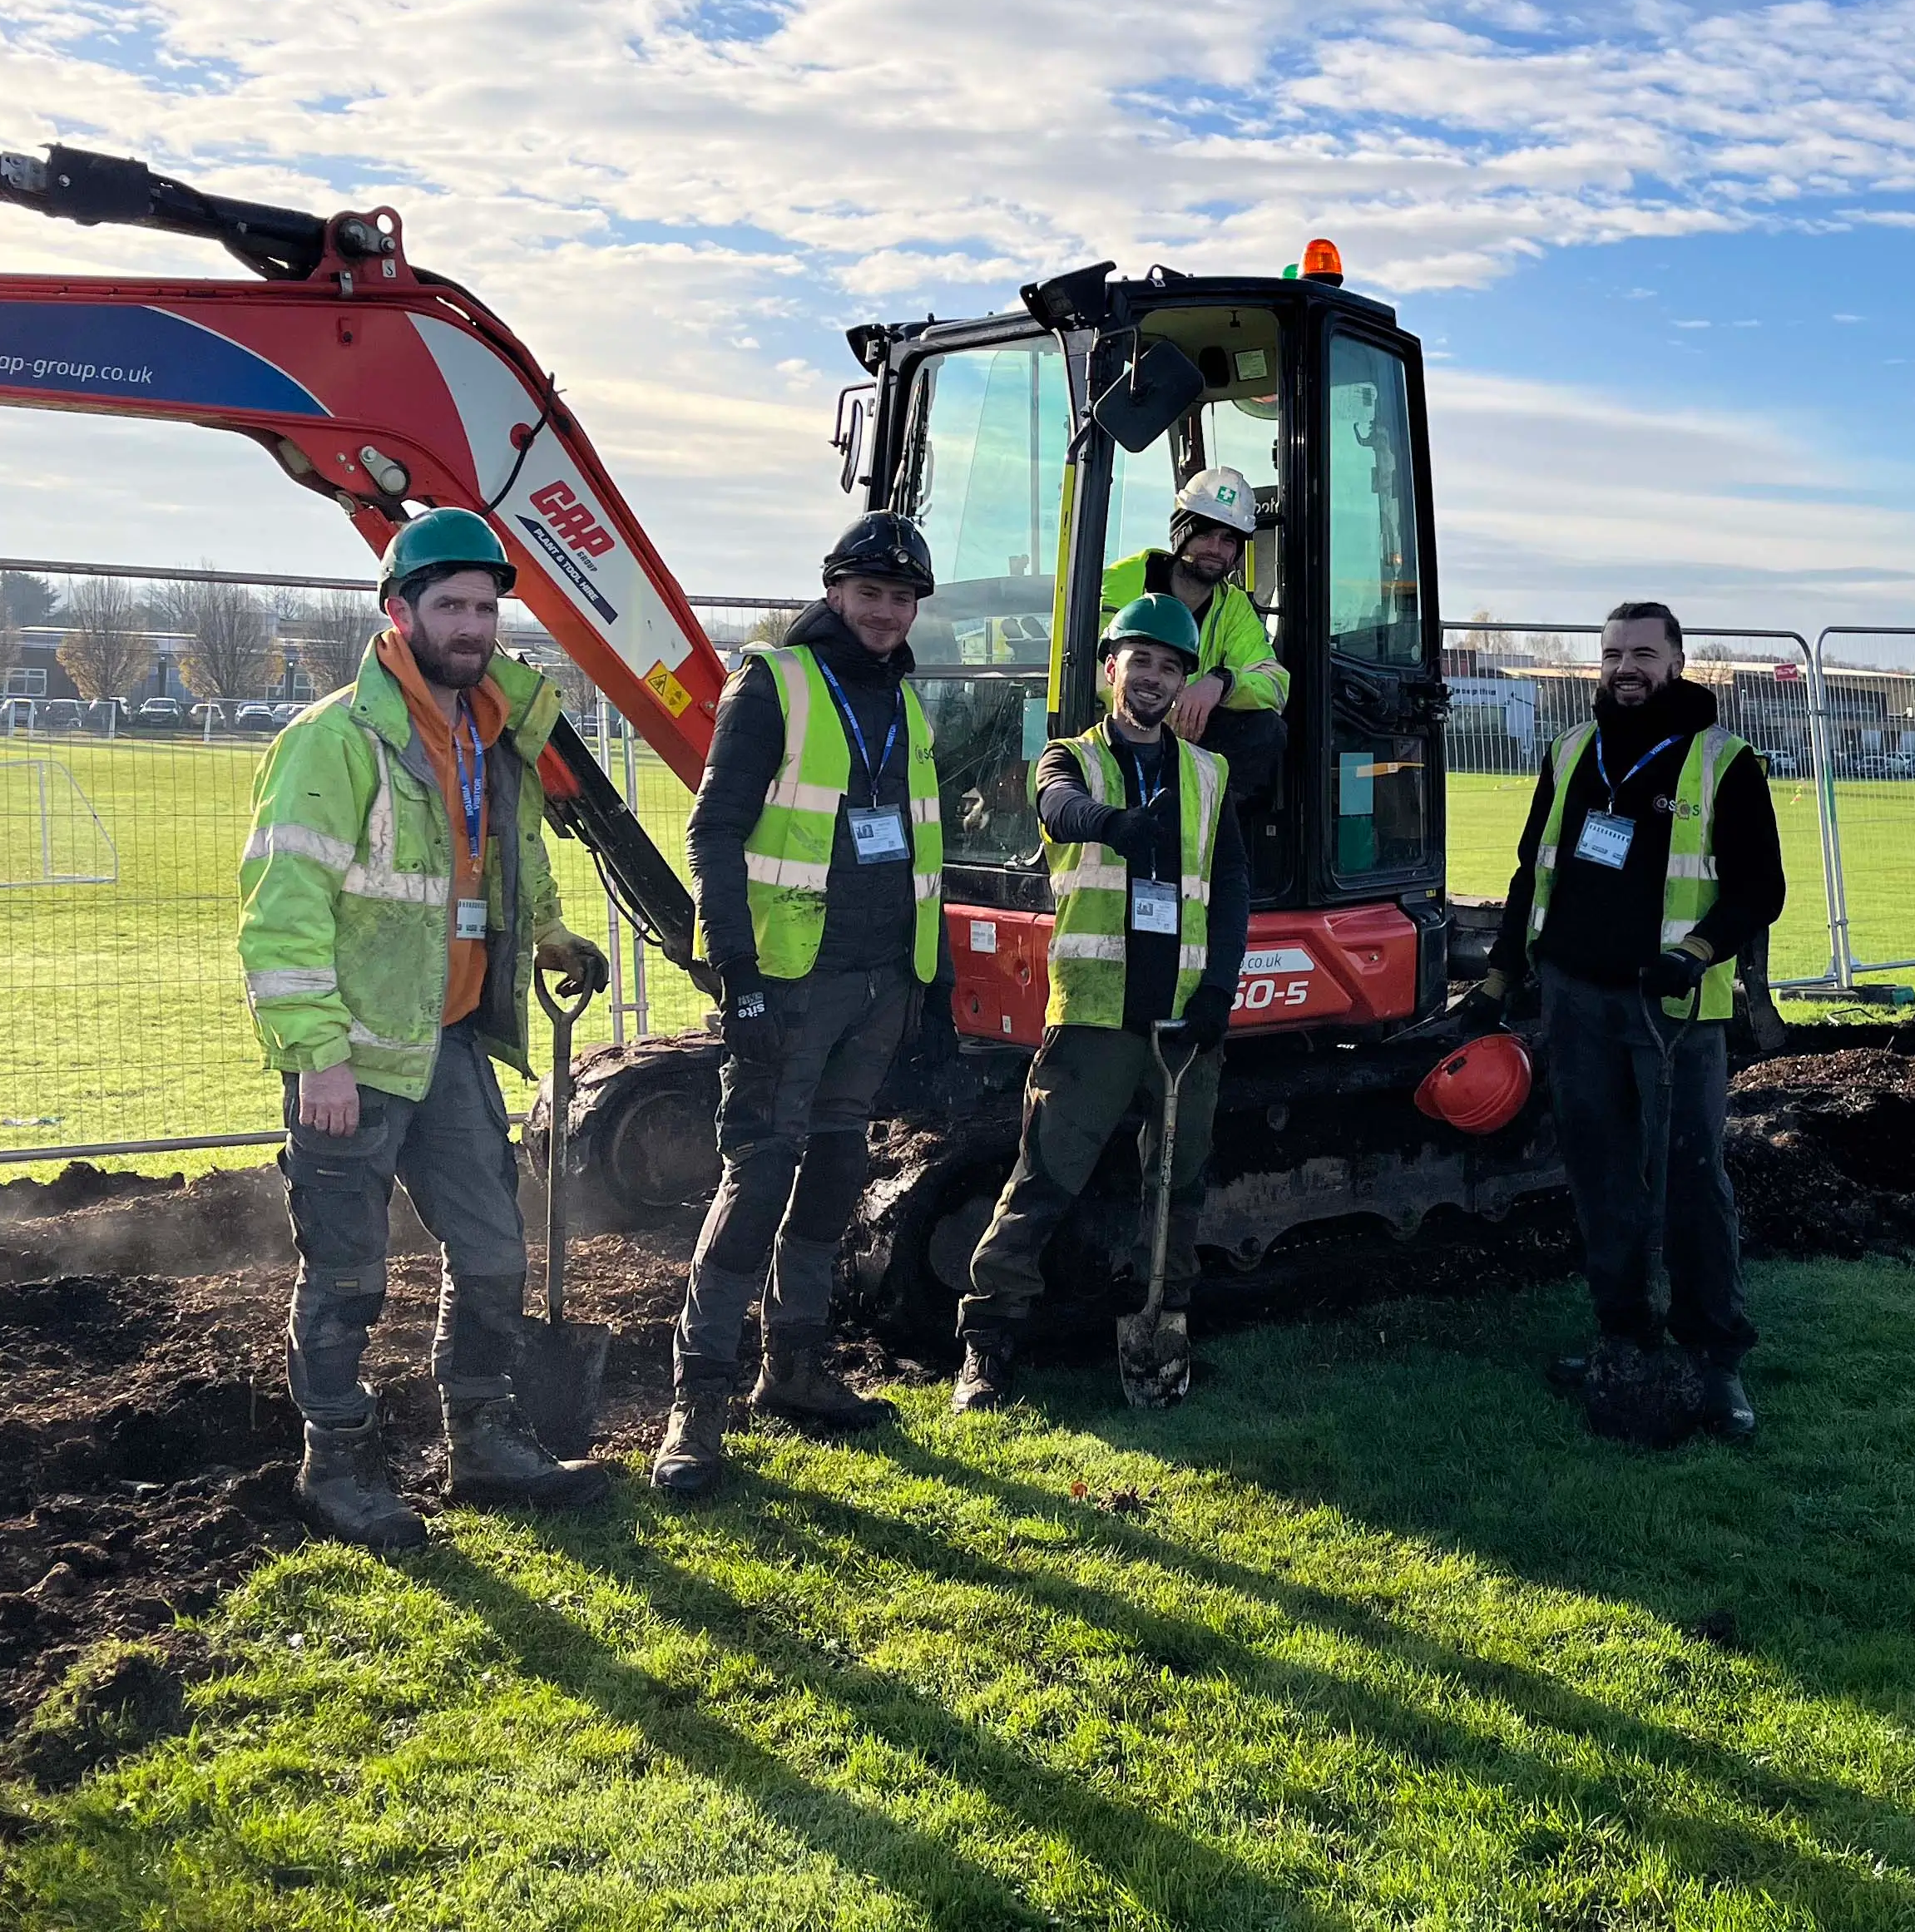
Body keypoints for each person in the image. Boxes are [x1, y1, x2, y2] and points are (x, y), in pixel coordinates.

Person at [240, 507, 616, 1549]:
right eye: (448, 604)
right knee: (350, 1273)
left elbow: (497, 864)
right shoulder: (335, 741)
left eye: (485, 607)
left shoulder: (491, 734)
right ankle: (338, 1461)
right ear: (397, 613)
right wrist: (315, 1056)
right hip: (352, 1054)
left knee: (494, 1252)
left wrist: (542, 934)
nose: (471, 623)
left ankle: (483, 1437)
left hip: (446, 1041)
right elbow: (281, 913)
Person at [654, 511, 944, 1495]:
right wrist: (736, 980)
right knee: (757, 1182)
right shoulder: (775, 684)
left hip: (876, 983)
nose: (885, 612)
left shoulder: (906, 705)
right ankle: (695, 1409)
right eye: (869, 593)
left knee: (832, 1174)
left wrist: (919, 976)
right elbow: (715, 834)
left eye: (901, 599)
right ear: (833, 593)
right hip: (787, 985)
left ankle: (799, 1369)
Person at [1462, 601, 1785, 1445]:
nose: (1625, 667)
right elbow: (1532, 872)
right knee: (1602, 1177)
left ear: (1678, 661)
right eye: (1612, 654)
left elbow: (1762, 889)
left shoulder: (1724, 762)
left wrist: (1702, 948)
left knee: (1690, 1182)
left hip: (1674, 1011)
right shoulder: (1573, 751)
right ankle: (1622, 1340)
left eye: (1643, 653)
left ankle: (1716, 1359)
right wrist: (1500, 976)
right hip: (1575, 1000)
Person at [951, 594, 1250, 1411]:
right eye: (1139, 661)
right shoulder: (1072, 757)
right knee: (1045, 1177)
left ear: (1183, 679)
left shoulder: (1208, 775)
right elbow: (1056, 807)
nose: (1152, 678)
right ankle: (988, 1345)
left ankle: (1167, 1331)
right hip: (1094, 1019)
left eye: (1169, 666)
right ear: (1110, 670)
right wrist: (1116, 824)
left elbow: (1229, 896)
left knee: (1177, 1184)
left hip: (1184, 1023)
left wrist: (1218, 992)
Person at [1101, 466, 1287, 805]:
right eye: (1205, 535)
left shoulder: (1233, 607)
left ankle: (1208, 830)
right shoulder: (1119, 583)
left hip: (1188, 740)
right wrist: (1160, 704)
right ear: (1182, 533)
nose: (1216, 549)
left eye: (1228, 540)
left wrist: (1221, 683)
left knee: (1266, 730)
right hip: (1118, 733)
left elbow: (1274, 683)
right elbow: (1087, 673)